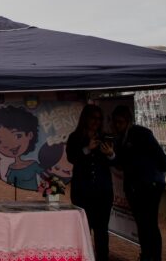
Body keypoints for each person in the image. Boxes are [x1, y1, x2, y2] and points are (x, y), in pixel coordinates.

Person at [111, 105, 166, 261]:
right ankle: (145, 254)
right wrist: (111, 156)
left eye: (120, 122)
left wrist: (155, 177)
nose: (117, 125)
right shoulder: (119, 139)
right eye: (115, 122)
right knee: (142, 224)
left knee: (149, 223)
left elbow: (162, 159)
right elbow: (119, 162)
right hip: (134, 188)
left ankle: (154, 257)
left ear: (128, 121)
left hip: (149, 186)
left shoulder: (141, 134)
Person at [66, 105, 114, 261]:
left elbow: (117, 161)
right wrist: (87, 149)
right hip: (82, 192)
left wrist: (111, 154)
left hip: (103, 193)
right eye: (93, 118)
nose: (96, 122)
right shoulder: (75, 137)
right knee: (84, 229)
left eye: (99, 119)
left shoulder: (106, 137)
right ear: (85, 118)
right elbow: (71, 158)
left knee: (101, 231)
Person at [0, 105, 42, 190]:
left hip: (32, 197)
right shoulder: (11, 168)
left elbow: (45, 178)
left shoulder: (33, 164)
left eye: (18, 136)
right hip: (20, 196)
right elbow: (6, 183)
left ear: (30, 135)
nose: (10, 145)